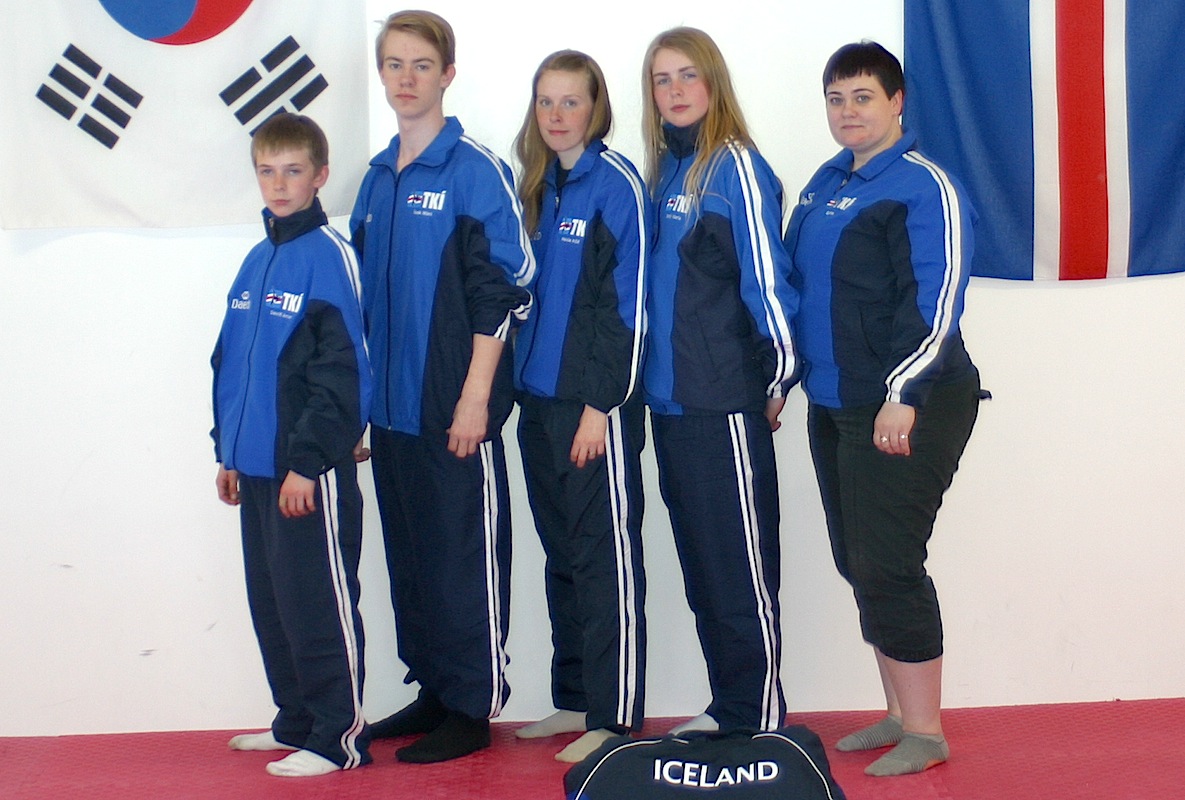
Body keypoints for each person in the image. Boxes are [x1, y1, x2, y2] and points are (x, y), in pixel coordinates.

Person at [783, 41, 982, 777]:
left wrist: (902, 395)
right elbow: (799, 293)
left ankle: (926, 732)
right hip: (835, 401)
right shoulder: (825, 183)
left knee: (889, 562)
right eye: (835, 99)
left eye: (862, 96)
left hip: (909, 403)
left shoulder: (924, 186)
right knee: (858, 560)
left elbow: (938, 299)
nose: (847, 111)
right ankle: (898, 714)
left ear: (896, 102)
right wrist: (782, 381)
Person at [349, 10, 535, 764]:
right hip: (391, 414)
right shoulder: (375, 179)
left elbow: (507, 289)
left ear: (447, 74)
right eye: (394, 64)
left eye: (421, 64)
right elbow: (361, 305)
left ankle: (470, 706)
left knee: (463, 557)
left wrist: (474, 397)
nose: (406, 78)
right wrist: (359, 410)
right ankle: (432, 687)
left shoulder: (473, 171)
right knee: (412, 557)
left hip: (453, 407)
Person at [640, 27, 798, 735]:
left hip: (724, 401)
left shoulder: (733, 166)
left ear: (713, 82)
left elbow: (768, 277)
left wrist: (778, 374)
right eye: (661, 79)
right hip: (672, 403)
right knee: (704, 566)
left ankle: (757, 715)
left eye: (687, 75)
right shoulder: (665, 174)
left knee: (739, 568)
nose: (675, 91)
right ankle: (730, 704)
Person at [210, 112, 372, 778]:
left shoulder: (329, 258)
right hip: (254, 470)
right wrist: (227, 451)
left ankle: (337, 739)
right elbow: (230, 362)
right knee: (273, 603)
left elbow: (344, 373)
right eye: (267, 171)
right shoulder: (257, 260)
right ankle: (297, 722)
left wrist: (308, 462)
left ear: (320, 176)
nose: (278, 185)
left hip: (308, 472)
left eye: (293, 171)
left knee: (317, 605)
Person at [509, 50, 649, 763]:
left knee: (604, 559)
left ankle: (613, 715)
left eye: (571, 101)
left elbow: (627, 307)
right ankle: (574, 698)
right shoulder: (537, 189)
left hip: (595, 409)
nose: (557, 115)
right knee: (562, 555)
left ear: (596, 109)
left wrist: (601, 405)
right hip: (538, 404)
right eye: (546, 101)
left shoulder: (615, 185)